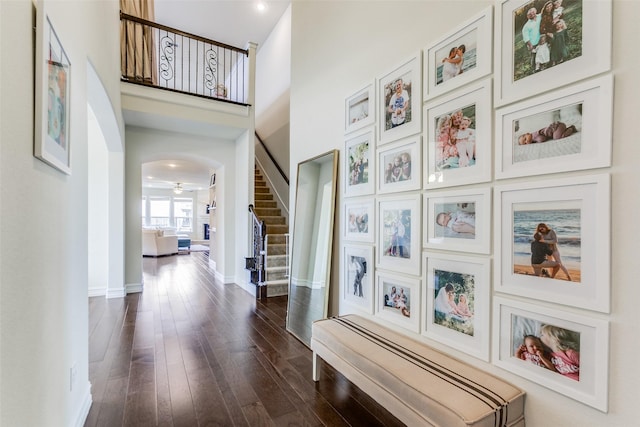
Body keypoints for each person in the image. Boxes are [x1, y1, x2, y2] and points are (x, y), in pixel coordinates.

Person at [521, 7, 542, 74]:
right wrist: (530, 45)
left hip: (541, 40)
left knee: (541, 53)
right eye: (530, 14)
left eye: (533, 12)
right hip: (533, 43)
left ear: (535, 11)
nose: (532, 14)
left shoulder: (539, 16)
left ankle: (541, 66)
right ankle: (534, 69)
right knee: (534, 56)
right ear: (527, 16)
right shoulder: (526, 26)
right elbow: (526, 37)